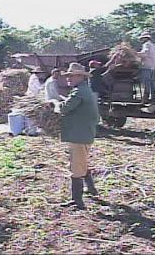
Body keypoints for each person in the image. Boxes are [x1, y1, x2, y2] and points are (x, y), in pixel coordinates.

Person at [50, 62, 100, 210]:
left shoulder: (79, 92)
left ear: (80, 77)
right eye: (68, 76)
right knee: (82, 162)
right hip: (84, 132)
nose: (68, 79)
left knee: (76, 167)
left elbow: (64, 109)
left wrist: (55, 103)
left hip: (79, 134)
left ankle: (77, 201)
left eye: (71, 76)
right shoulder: (84, 90)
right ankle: (91, 190)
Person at [136, 32, 155, 103]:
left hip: (146, 66)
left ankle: (146, 98)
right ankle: (153, 98)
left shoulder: (146, 44)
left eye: (142, 38)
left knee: (146, 82)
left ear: (145, 38)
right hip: (152, 66)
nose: (142, 40)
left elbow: (144, 54)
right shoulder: (153, 46)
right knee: (151, 82)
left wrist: (135, 53)